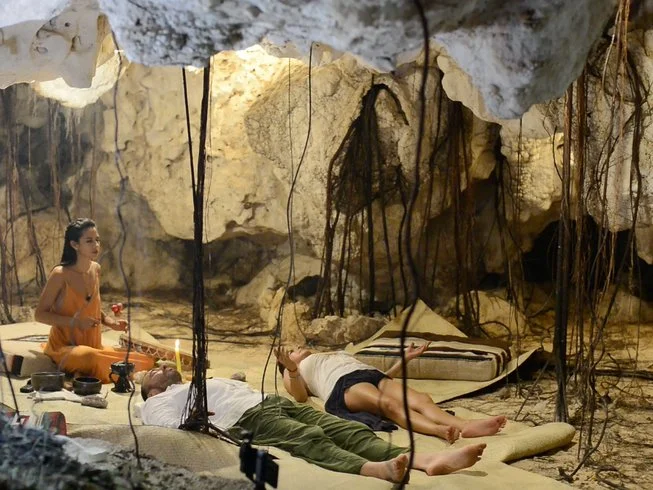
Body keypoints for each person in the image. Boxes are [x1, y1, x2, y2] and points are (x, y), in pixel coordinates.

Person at [140, 366, 487, 483]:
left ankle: (425, 460)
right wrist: (192, 421)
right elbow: (168, 424)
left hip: (270, 402)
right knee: (308, 436)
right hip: (244, 418)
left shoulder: (192, 382)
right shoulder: (156, 401)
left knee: (345, 428)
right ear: (151, 389)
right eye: (154, 371)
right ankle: (373, 469)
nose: (163, 366)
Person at [275, 344, 506, 443]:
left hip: (371, 375)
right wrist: (291, 368)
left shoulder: (333, 353)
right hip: (342, 385)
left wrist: (404, 359)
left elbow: (384, 376)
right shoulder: (294, 370)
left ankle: (466, 425)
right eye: (292, 351)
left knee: (422, 399)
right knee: (389, 405)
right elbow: (300, 397)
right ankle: (439, 430)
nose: (297, 348)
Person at [35, 218, 155, 383]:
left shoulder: (95, 269)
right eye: (89, 241)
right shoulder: (60, 274)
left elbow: (92, 306)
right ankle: (98, 370)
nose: (96, 245)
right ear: (75, 244)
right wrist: (76, 323)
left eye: (97, 240)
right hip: (65, 348)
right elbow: (40, 315)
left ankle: (90, 371)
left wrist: (111, 322)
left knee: (146, 359)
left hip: (94, 345)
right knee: (88, 356)